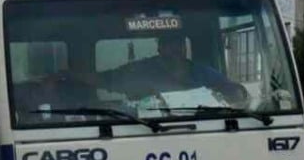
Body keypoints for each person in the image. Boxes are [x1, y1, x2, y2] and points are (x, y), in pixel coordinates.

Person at [105, 33, 249, 107]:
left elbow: (233, 91)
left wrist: (238, 93)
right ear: (160, 48)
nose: (175, 48)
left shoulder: (203, 73)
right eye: (169, 44)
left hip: (203, 127)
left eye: (179, 43)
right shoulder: (140, 70)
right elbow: (105, 79)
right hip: (145, 128)